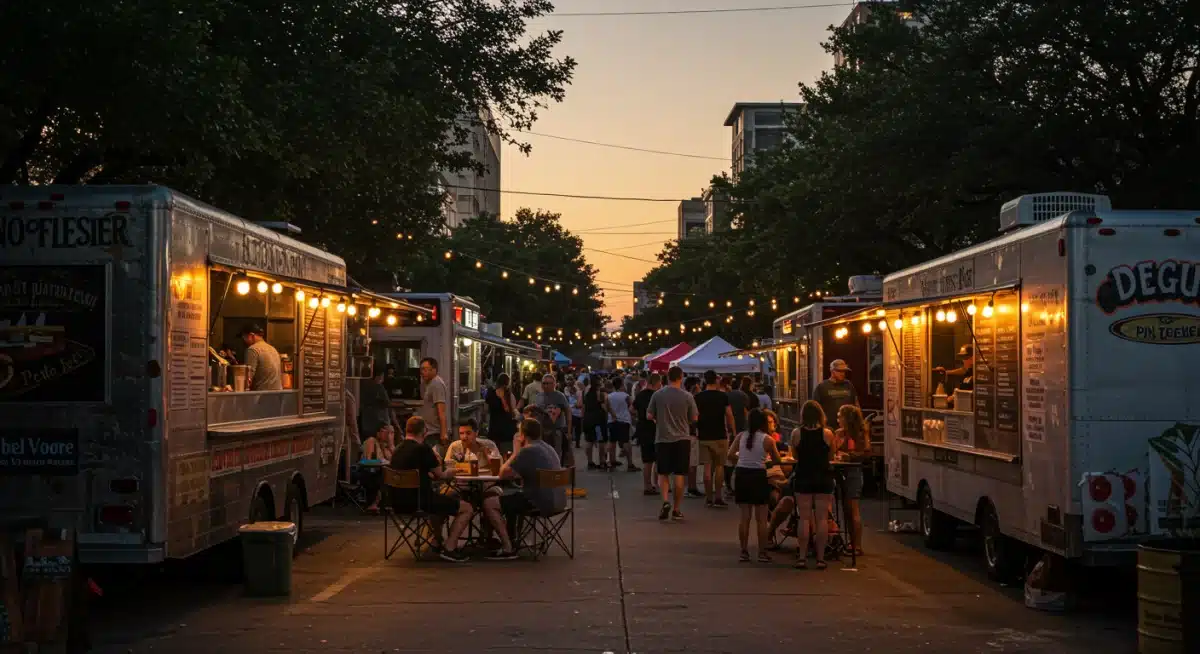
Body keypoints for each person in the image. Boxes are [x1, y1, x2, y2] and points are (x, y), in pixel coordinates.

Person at [388, 416, 473, 562]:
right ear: (424, 431)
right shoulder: (422, 449)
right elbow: (441, 475)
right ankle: (450, 547)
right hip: (421, 502)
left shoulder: (397, 450)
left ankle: (436, 541)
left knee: (443, 498)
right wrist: (454, 471)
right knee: (467, 508)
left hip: (395, 503)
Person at [728, 409, 784, 563]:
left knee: (744, 517)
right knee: (761, 518)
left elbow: (730, 455)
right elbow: (777, 460)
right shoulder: (767, 440)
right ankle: (762, 552)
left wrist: (740, 461)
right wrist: (766, 463)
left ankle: (744, 551)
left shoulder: (741, 436)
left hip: (742, 474)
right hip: (759, 475)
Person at [498, 418, 567, 542]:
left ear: (522, 435)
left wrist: (515, 451)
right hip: (559, 501)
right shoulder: (548, 448)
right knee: (514, 498)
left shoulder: (527, 450)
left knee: (495, 503)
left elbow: (502, 474)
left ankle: (508, 542)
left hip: (539, 503)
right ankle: (514, 539)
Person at [647, 366, 699, 521]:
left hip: (663, 438)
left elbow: (649, 415)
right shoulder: (688, 396)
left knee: (662, 473)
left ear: (667, 377)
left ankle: (665, 501)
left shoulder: (657, 395)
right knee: (679, 474)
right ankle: (676, 509)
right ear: (681, 377)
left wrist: (659, 419)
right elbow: (695, 418)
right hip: (682, 438)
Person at [789, 401, 837, 570]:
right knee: (822, 518)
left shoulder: (796, 433)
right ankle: (821, 558)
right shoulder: (828, 434)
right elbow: (832, 455)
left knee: (804, 517)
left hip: (803, 476)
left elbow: (794, 456)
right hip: (823, 477)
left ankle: (802, 557)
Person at [694, 369, 734, 508]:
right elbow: (729, 414)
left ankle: (708, 497)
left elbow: (694, 417)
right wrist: (733, 430)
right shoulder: (723, 396)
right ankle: (718, 496)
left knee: (707, 468)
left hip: (704, 435)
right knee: (719, 466)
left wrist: (696, 429)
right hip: (720, 435)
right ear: (716, 380)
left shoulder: (698, 397)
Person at [835, 404, 870, 556]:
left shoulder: (861, 434)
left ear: (847, 418)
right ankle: (851, 541)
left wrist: (850, 456)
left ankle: (857, 545)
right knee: (846, 509)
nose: (837, 419)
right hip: (840, 471)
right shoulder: (839, 433)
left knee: (853, 508)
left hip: (854, 472)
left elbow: (866, 452)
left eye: (840, 416)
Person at [534, 374, 575, 467]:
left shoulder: (560, 396)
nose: (545, 385)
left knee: (556, 454)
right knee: (543, 454)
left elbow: (568, 412)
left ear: (554, 384)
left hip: (557, 430)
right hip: (542, 430)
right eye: (544, 383)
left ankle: (556, 473)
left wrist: (569, 431)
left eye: (548, 383)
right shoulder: (539, 396)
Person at [633, 373, 661, 495]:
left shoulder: (640, 395)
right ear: (656, 383)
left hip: (643, 429)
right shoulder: (658, 395)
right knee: (657, 459)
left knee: (647, 461)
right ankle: (656, 484)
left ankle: (647, 485)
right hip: (655, 429)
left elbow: (631, 409)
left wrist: (639, 417)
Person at [359, 424, 395, 512]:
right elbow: (369, 460)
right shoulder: (371, 441)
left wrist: (390, 445)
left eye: (392, 433)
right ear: (378, 432)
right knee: (382, 474)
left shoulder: (387, 446)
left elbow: (395, 461)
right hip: (368, 472)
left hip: (382, 473)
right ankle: (374, 503)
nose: (388, 435)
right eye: (386, 432)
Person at [812, 359, 859, 425]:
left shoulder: (849, 385)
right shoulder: (822, 387)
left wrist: (860, 422)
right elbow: (815, 409)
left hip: (848, 428)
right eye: (839, 371)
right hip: (829, 428)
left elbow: (856, 405)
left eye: (844, 371)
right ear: (832, 371)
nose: (843, 374)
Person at [606, 379, 638, 472]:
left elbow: (607, 407)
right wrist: (635, 416)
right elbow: (631, 408)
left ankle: (612, 461)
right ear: (621, 385)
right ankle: (630, 464)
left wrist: (612, 415)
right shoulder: (626, 396)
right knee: (626, 442)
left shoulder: (609, 396)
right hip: (624, 421)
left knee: (612, 442)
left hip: (612, 421)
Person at [239, 323, 282, 391]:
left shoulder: (253, 349)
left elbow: (248, 379)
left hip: (260, 397)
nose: (244, 341)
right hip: (277, 396)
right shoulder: (273, 349)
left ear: (251, 335)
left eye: (244, 337)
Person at [419, 357, 450, 450]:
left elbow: (441, 411)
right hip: (428, 431)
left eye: (425, 369)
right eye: (421, 369)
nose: (422, 372)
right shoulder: (428, 384)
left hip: (434, 433)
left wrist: (443, 434)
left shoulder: (437, 384)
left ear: (434, 370)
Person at [360, 367, 400, 439]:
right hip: (379, 423)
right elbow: (387, 403)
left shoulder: (363, 386)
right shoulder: (379, 387)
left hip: (366, 424)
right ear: (379, 376)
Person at [934, 344, 975, 409]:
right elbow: (963, 370)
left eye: (964, 357)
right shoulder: (967, 373)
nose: (963, 361)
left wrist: (953, 397)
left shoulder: (977, 376)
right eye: (962, 358)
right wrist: (946, 372)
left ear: (972, 358)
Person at [485, 373, 518, 452]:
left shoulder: (490, 392)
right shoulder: (508, 394)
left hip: (494, 425)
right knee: (506, 451)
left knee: (494, 451)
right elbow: (510, 410)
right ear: (507, 382)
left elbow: (485, 409)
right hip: (506, 428)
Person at [582, 378, 609, 469]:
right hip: (598, 420)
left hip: (588, 419)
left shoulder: (585, 393)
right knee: (601, 441)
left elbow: (582, 406)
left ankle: (590, 461)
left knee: (589, 441)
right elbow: (604, 406)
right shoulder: (600, 394)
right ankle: (602, 461)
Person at [567, 381, 584, 448]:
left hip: (575, 415)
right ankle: (575, 443)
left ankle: (575, 443)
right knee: (576, 430)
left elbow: (579, 405)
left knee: (574, 430)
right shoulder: (570, 397)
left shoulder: (576, 396)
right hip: (575, 415)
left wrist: (575, 405)